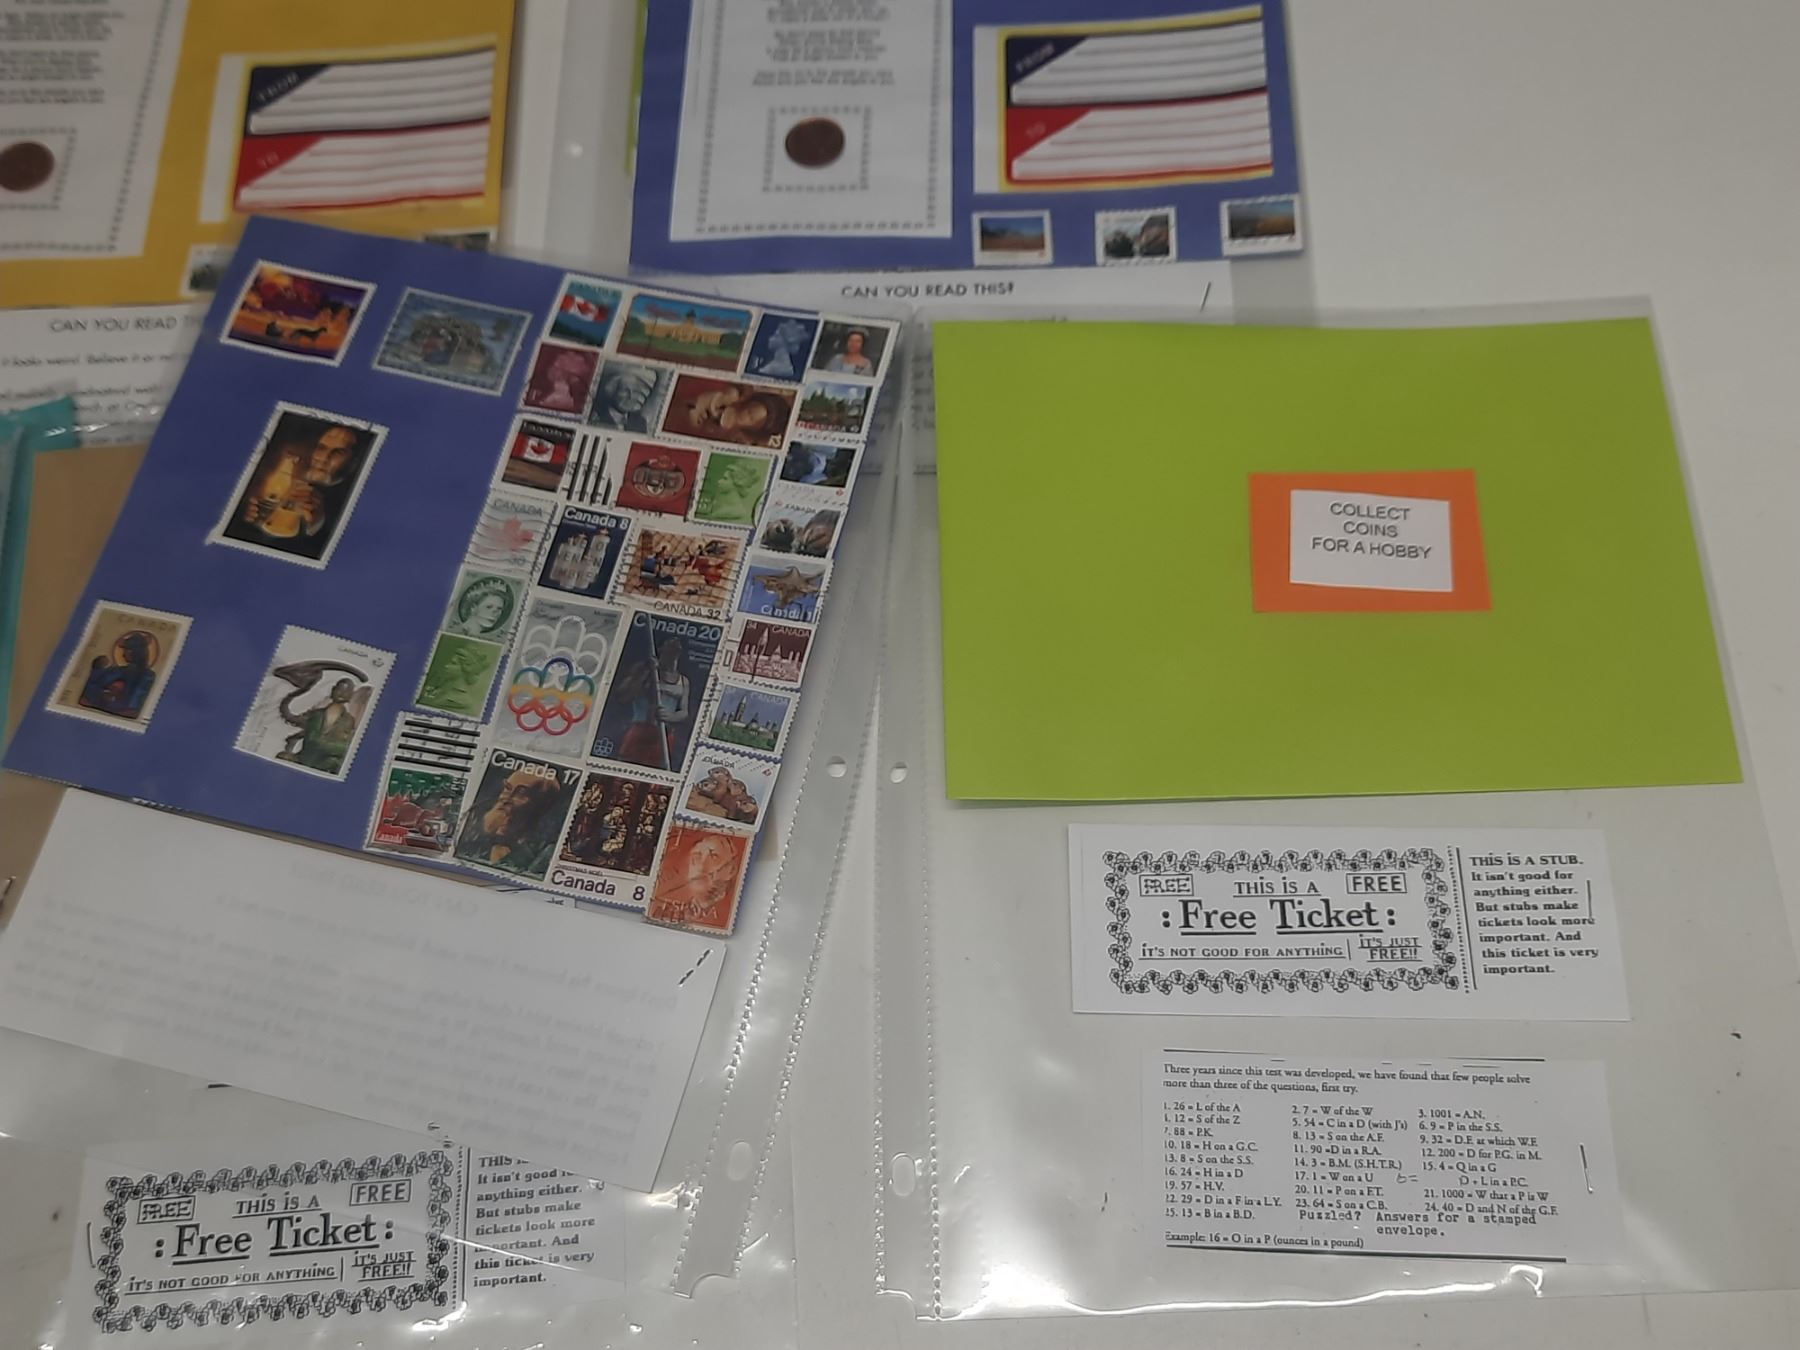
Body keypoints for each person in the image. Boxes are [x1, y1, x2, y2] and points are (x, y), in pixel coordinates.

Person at [240, 423, 360, 543]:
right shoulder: (287, 474)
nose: (323, 458)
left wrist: (315, 524)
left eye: (338, 453)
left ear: (353, 462)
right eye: (321, 448)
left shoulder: (352, 496)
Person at [457, 768, 561, 874]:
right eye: (507, 788)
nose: (506, 799)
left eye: (521, 793)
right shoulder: (472, 842)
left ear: (540, 806)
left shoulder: (536, 859)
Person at [615, 636, 690, 769]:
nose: (673, 645)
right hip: (641, 728)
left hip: (665, 734)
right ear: (660, 649)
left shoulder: (683, 681)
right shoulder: (644, 670)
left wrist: (671, 716)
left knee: (655, 770)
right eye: (669, 643)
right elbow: (623, 695)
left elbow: (684, 711)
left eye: (676, 645)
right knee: (625, 768)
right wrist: (646, 673)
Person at [278, 677, 360, 775]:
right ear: (333, 690)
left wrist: (333, 747)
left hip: (326, 765)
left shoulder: (349, 720)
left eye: (346, 691)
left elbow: (345, 747)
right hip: (304, 759)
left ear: (351, 695)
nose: (341, 694)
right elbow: (312, 739)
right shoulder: (317, 714)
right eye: (339, 689)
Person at [77, 629, 157, 718]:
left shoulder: (147, 676)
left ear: (134, 652)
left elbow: (133, 708)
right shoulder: (119, 671)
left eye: (126, 650)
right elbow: (94, 685)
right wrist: (97, 667)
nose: (123, 654)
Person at [591, 362, 659, 432]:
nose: (631, 396)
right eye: (625, 390)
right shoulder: (595, 416)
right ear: (612, 390)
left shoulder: (640, 422)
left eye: (636, 392)